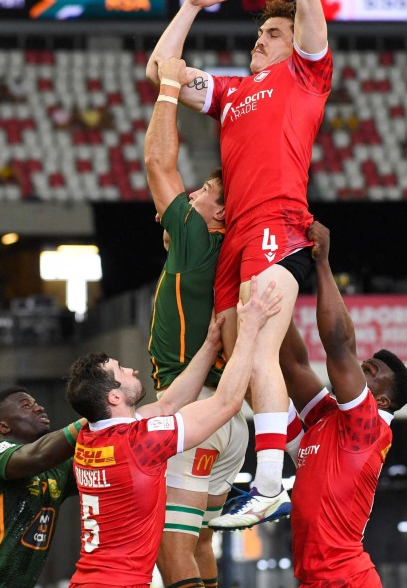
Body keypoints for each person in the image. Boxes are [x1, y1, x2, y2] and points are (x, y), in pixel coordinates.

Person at [147, 0, 332, 529]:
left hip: (278, 224)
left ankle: (272, 482)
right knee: (236, 350)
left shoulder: (305, 73)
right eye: (258, 33)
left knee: (258, 352)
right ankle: (298, 435)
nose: (260, 40)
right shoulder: (233, 92)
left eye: (271, 33)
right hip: (240, 239)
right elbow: (162, 70)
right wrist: (190, 7)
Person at [64, 279, 282, 588]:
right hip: (121, 585)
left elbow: (168, 404)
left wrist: (210, 345)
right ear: (114, 397)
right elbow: (228, 402)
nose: (133, 371)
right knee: (181, 549)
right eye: (122, 371)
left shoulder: (89, 435)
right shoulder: (142, 441)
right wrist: (248, 330)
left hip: (86, 581)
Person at [145, 56, 247, 588]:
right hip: (230, 420)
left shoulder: (198, 241)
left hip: (192, 410)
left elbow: (159, 165)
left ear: (219, 214)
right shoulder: (235, 251)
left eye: (201, 195)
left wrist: (167, 88)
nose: (190, 196)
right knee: (202, 540)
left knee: (171, 545)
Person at [278, 222, 407, 587]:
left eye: (369, 372)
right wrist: (271, 284)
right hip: (315, 579)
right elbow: (292, 365)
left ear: (382, 400)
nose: (358, 371)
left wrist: (322, 262)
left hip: (346, 580)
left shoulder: (368, 427)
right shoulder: (328, 417)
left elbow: (339, 345)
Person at [0, 388, 85, 588]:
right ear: (2, 426)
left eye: (36, 403)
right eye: (26, 406)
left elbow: (104, 471)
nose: (39, 408)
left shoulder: (56, 468)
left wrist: (129, 421)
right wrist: (93, 420)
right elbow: (38, 456)